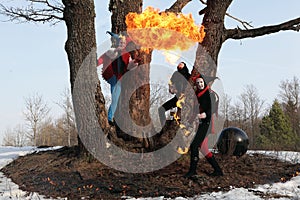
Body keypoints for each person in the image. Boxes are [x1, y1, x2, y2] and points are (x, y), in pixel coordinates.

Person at [184, 74, 223, 178]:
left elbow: (212, 107)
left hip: (207, 124)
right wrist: (189, 121)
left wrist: (206, 114)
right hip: (201, 123)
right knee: (204, 148)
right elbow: (195, 110)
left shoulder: (209, 94)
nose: (200, 84)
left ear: (204, 82)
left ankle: (192, 171)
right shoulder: (198, 94)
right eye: (198, 83)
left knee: (194, 145)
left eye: (201, 82)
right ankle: (218, 170)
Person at [97, 32, 138, 125]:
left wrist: (134, 64)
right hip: (113, 77)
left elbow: (128, 66)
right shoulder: (113, 51)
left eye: (123, 43)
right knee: (115, 99)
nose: (122, 44)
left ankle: (113, 117)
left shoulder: (126, 55)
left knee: (116, 98)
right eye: (120, 43)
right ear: (118, 43)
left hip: (120, 79)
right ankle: (110, 118)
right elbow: (105, 57)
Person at [158, 62, 191, 128]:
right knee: (161, 109)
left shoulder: (189, 76)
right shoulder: (175, 74)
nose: (179, 64)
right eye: (179, 64)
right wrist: (172, 89)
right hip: (177, 98)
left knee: (179, 117)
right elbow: (171, 87)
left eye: (181, 64)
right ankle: (164, 127)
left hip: (185, 100)